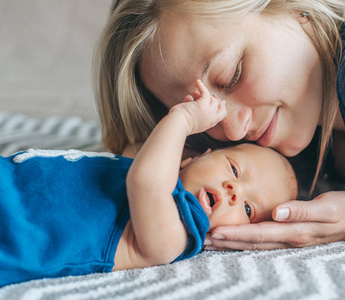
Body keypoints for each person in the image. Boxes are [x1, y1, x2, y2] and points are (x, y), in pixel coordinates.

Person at [94, 0, 345, 256]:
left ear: (294, 8)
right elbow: (134, 156)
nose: (232, 130)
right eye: (202, 112)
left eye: (231, 75)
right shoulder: (305, 139)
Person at [0, 80, 298, 287]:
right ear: (191, 159)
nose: (235, 191)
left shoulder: (173, 238)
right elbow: (142, 153)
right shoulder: (152, 165)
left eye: (247, 209)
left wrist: (183, 120)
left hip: (14, 235)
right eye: (234, 169)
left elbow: (147, 182)